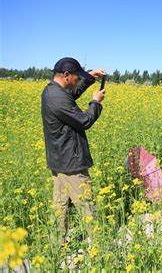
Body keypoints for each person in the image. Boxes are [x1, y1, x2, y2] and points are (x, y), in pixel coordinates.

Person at [41, 57, 105, 245]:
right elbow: (84, 121)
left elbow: (72, 94)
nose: (78, 80)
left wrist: (89, 77)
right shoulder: (57, 98)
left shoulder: (52, 91)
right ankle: (99, 245)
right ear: (66, 75)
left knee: (60, 204)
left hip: (59, 159)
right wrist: (96, 102)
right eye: (77, 76)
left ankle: (57, 244)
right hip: (71, 160)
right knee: (85, 203)